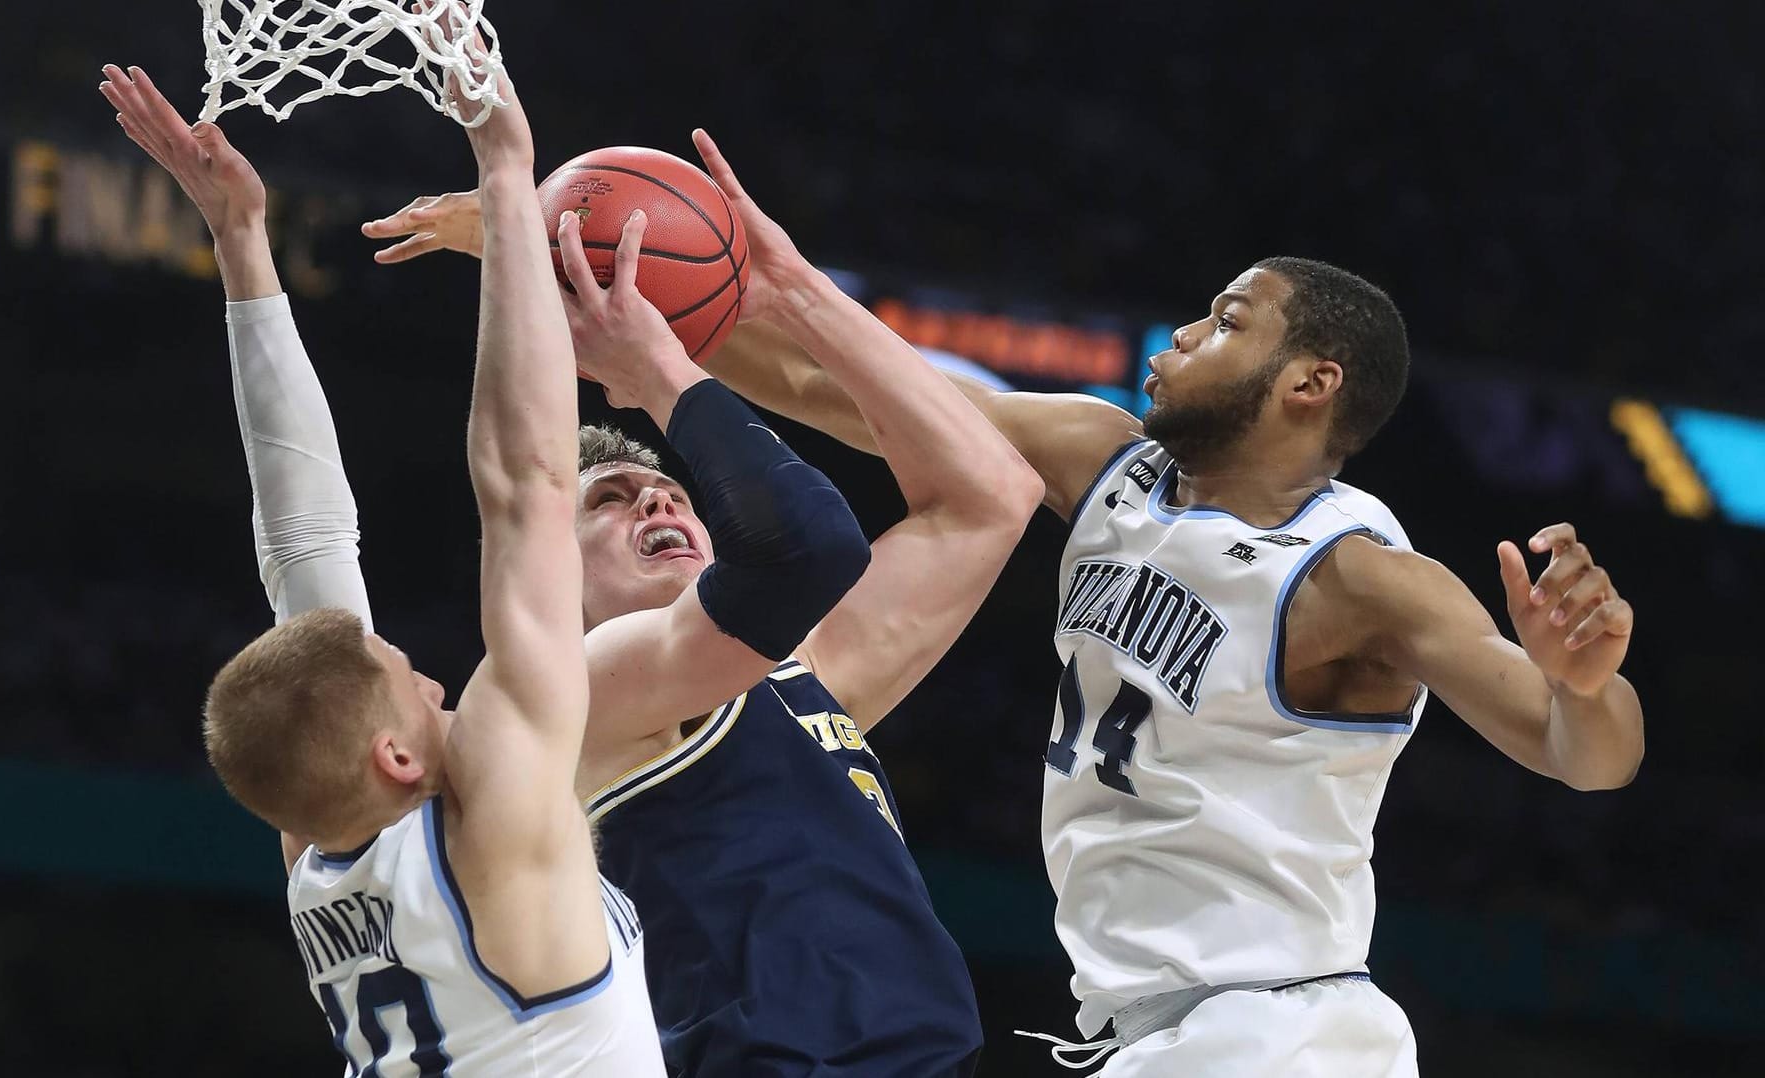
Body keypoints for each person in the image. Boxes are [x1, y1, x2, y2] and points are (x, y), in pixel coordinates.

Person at [701, 257, 1646, 1076]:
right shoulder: (1103, 459)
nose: (1188, 332)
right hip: (1163, 1029)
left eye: (1229, 321)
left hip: (1273, 1030)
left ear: (1310, 383)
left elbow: (1586, 757)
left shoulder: (1362, 579)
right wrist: (652, 335)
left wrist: (1582, 684)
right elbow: (842, 393)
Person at [363, 130, 1045, 1076]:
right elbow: (802, 545)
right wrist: (661, 379)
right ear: (546, 570)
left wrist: (795, 292)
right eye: (612, 499)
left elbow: (992, 494)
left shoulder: (798, 676)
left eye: (673, 489)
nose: (660, 494)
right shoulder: (575, 701)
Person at [96, 63, 665, 1075]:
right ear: (398, 757)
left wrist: (240, 242)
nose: (439, 680)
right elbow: (531, 482)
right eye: (418, 682)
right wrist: (503, 158)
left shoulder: (320, 854)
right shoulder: (496, 816)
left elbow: (304, 544)